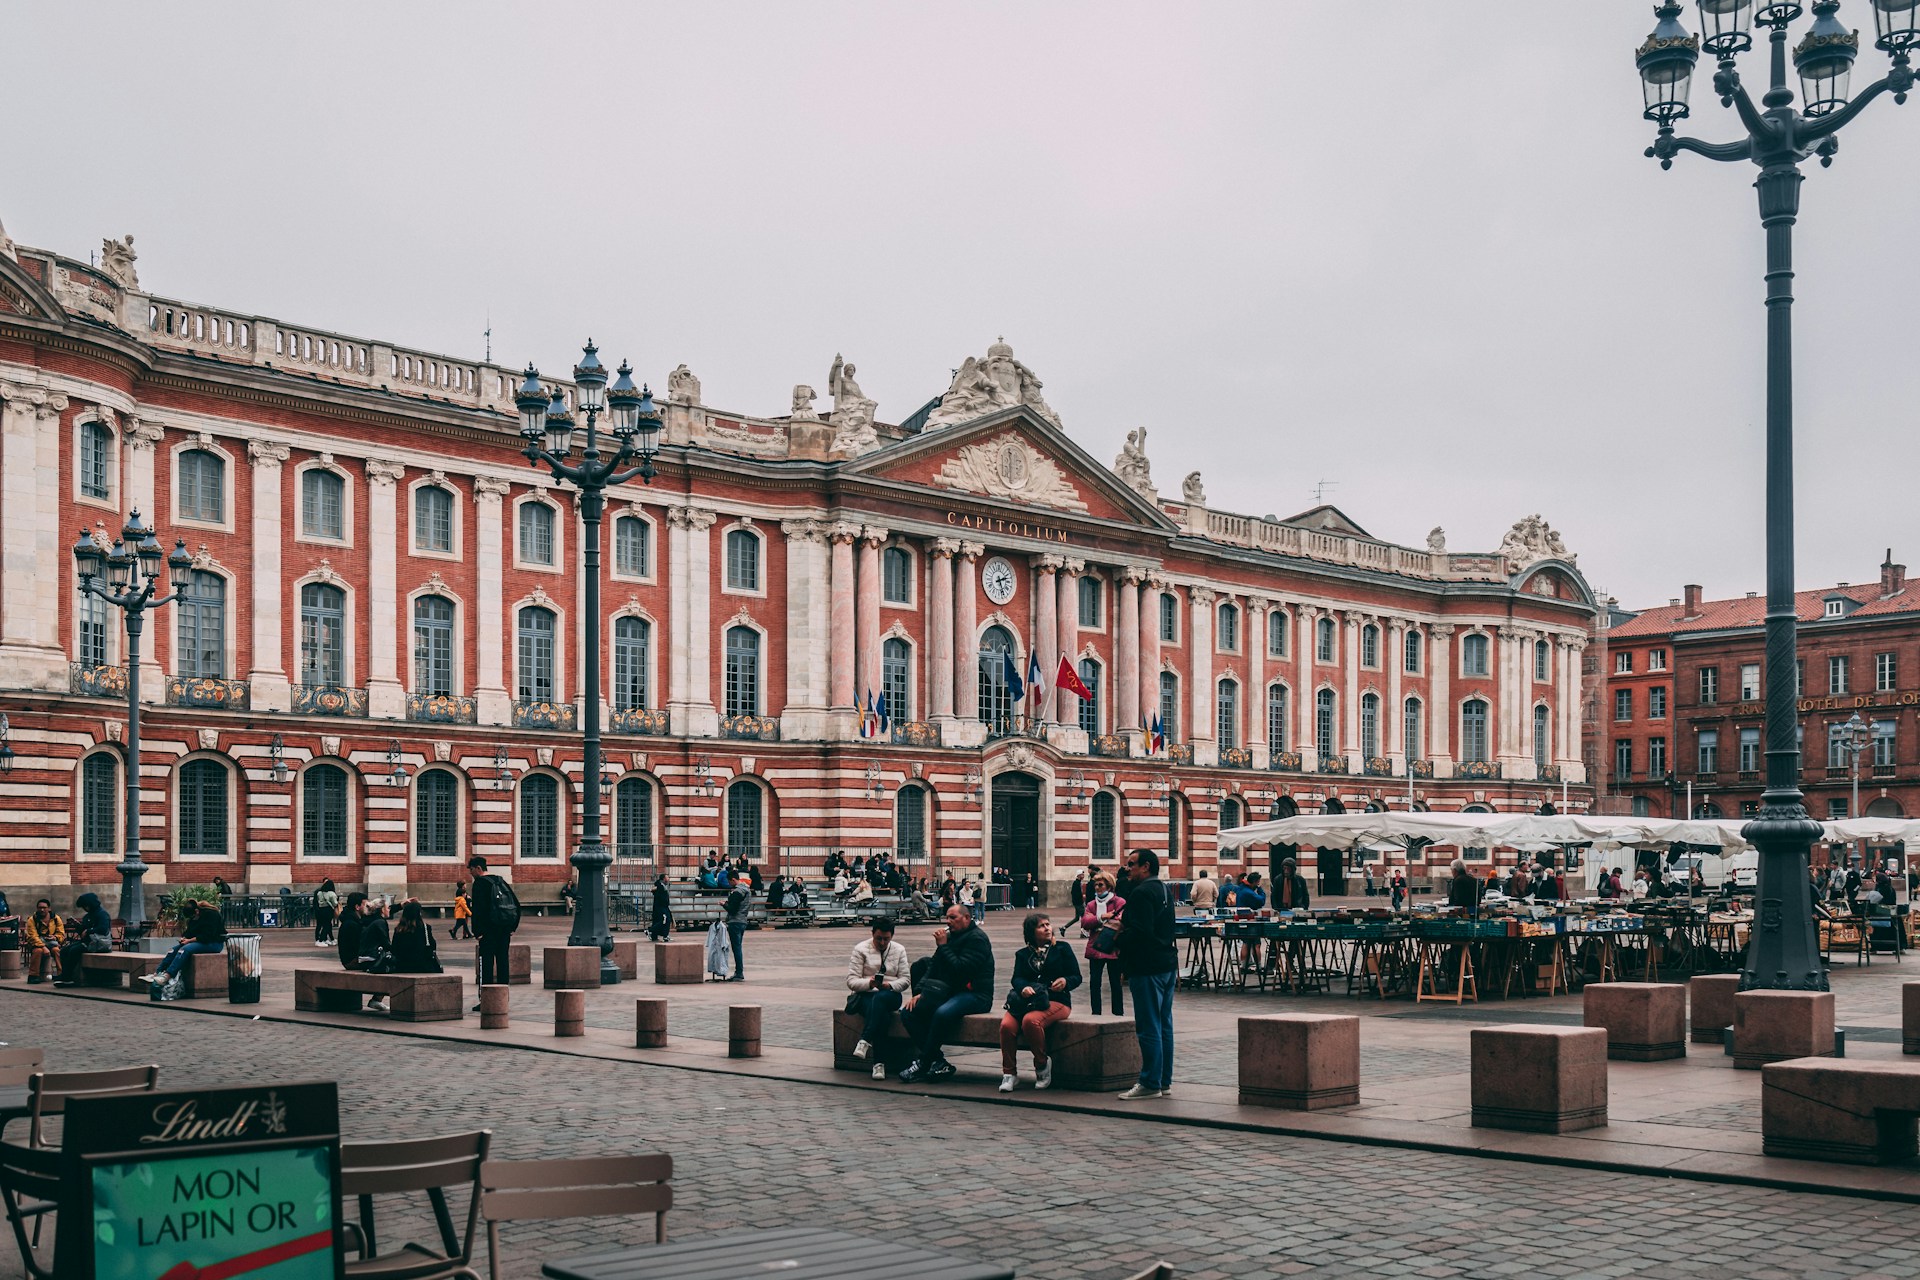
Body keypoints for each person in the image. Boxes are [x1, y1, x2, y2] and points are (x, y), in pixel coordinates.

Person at [898, 903, 995, 1084]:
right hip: (951, 992)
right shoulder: (950, 938)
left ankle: (924, 1061)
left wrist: (943, 947)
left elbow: (961, 970)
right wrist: (920, 992)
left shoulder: (977, 939)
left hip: (976, 995)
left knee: (942, 1013)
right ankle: (937, 1060)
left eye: (953, 918)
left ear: (967, 918)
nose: (948, 922)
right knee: (908, 1013)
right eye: (947, 917)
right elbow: (934, 967)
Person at [1117, 848, 1177, 1100]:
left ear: (1146, 867)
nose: (1127, 868)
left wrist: (1119, 933)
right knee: (1164, 1024)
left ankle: (1150, 1082)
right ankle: (1164, 1081)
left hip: (1147, 966)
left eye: (1132, 864)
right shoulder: (1163, 889)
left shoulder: (1140, 893)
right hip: (1166, 964)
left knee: (1148, 1025)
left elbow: (1141, 932)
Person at [999, 912, 1082, 1092]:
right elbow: (1017, 978)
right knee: (1006, 1026)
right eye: (1041, 926)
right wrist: (1023, 988)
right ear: (1032, 932)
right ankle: (1009, 1074)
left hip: (1056, 1000)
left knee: (1031, 1021)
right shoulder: (1022, 954)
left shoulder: (1062, 949)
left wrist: (1066, 982)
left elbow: (1076, 976)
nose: (1047, 928)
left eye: (1048, 924)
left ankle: (1042, 1065)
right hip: (1027, 1001)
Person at [846, 917, 910, 1080]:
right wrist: (870, 983)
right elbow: (852, 981)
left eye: (886, 939)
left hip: (890, 994)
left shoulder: (899, 950)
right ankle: (878, 1064)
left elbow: (905, 980)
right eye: (878, 938)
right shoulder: (861, 949)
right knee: (881, 1016)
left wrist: (889, 985)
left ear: (892, 936)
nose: (882, 942)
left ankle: (865, 1039)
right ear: (872, 934)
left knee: (880, 1001)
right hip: (866, 995)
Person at [143, 900, 226, 999]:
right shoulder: (193, 918)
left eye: (192, 917)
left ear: (197, 911)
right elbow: (189, 932)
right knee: (173, 950)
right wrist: (185, 938)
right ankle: (158, 973)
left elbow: (208, 936)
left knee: (185, 949)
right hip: (198, 942)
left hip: (214, 943)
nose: (192, 919)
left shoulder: (212, 915)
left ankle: (168, 975)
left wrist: (189, 941)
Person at [468, 855, 518, 1007]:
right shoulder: (500, 881)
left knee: (486, 966)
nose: (471, 874)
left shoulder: (480, 884)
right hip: (504, 930)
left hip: (488, 932)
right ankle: (503, 999)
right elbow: (516, 903)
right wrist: (512, 928)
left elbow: (478, 910)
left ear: (478, 868)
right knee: (503, 962)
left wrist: (478, 932)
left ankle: (486, 1000)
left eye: (471, 870)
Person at [1081, 871, 1126, 1016]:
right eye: (1095, 885)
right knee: (1095, 983)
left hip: (1113, 947)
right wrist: (1102, 917)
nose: (1097, 888)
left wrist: (1098, 921)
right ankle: (1096, 1013)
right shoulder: (1091, 904)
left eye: (1100, 885)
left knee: (1115, 983)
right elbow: (1085, 922)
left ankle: (1118, 1013)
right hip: (1095, 947)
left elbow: (1120, 921)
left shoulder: (1119, 902)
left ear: (1109, 886)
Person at [55, 892, 113, 986]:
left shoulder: (102, 914)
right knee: (65, 950)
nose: (85, 908)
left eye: (86, 906)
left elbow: (103, 928)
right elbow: (83, 931)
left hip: (99, 943)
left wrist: (89, 931)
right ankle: (65, 975)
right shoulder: (88, 916)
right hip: (89, 941)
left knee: (74, 951)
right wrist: (78, 927)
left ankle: (68, 977)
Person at [357, 899, 394, 1012]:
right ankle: (376, 999)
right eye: (387, 908)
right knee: (393, 966)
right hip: (371, 958)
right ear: (382, 910)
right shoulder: (381, 922)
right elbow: (386, 944)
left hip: (363, 957)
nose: (389, 910)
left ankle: (377, 999)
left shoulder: (372, 921)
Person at [390, 899, 442, 974]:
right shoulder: (425, 928)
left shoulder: (399, 929)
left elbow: (394, 948)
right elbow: (432, 945)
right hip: (422, 966)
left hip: (402, 966)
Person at [23, 899, 64, 984]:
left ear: (49, 908)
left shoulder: (56, 918)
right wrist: (43, 947)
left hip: (51, 943)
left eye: (44, 908)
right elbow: (32, 936)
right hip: (36, 943)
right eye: (39, 908)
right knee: (38, 951)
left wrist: (55, 937)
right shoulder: (32, 919)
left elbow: (61, 934)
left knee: (57, 951)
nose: (42, 910)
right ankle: (33, 976)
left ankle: (61, 974)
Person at [723, 882, 750, 981]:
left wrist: (724, 904)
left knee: (736, 948)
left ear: (732, 880)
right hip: (743, 920)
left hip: (735, 921)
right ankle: (739, 971)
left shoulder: (737, 892)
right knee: (738, 946)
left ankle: (739, 972)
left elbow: (732, 909)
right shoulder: (747, 891)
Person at [337, 891, 368, 971]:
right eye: (365, 905)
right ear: (357, 907)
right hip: (352, 960)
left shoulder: (352, 920)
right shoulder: (351, 924)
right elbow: (358, 945)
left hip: (350, 959)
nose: (368, 908)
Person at [313, 878, 340, 947]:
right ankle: (321, 940)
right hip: (328, 910)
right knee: (327, 925)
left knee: (323, 925)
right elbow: (335, 903)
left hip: (321, 909)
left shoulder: (319, 892)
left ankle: (321, 939)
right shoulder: (331, 893)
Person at [649, 873, 673, 941]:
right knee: (663, 920)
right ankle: (651, 931)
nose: (668, 879)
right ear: (663, 879)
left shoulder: (664, 886)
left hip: (664, 906)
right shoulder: (660, 886)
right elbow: (654, 890)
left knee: (667, 920)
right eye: (667, 877)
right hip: (660, 906)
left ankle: (664, 935)